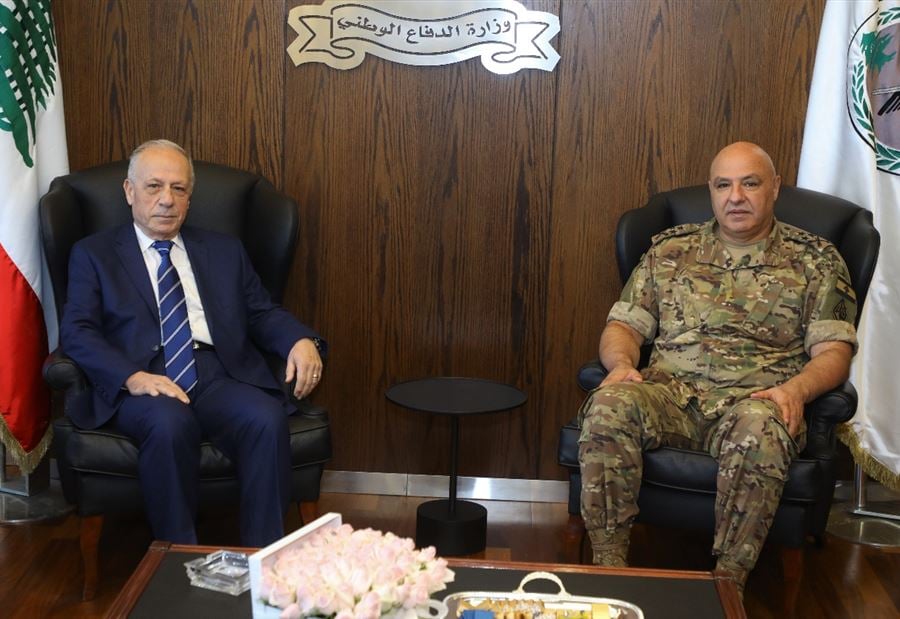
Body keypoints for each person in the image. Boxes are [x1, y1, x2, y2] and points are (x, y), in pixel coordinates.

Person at [577, 141, 857, 595]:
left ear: (775, 188)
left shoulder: (816, 260)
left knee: (759, 430)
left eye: (750, 184)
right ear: (711, 190)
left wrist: (796, 391)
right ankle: (610, 571)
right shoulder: (671, 250)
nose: (736, 197)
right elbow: (623, 326)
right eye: (724, 185)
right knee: (609, 404)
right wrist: (622, 365)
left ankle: (727, 585)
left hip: (757, 400)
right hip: (670, 395)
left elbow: (834, 352)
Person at [60, 139, 326, 547]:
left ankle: (263, 559)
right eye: (154, 186)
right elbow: (77, 331)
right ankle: (177, 558)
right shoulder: (93, 254)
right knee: (169, 424)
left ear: (189, 197)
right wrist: (131, 377)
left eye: (179, 188)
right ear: (129, 191)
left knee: (265, 418)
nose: (166, 199)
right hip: (142, 379)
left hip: (217, 373)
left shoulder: (224, 250)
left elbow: (260, 312)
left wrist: (298, 339)